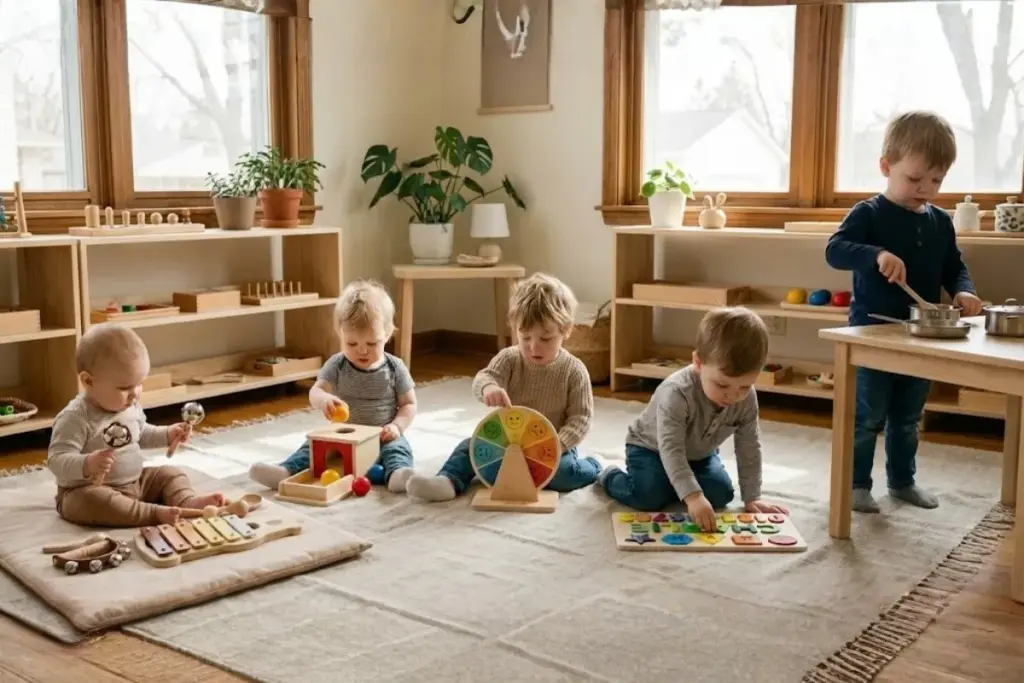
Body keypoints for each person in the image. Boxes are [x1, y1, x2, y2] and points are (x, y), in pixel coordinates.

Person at [825, 110, 984, 514]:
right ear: (886, 166)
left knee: (909, 417)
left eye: (936, 181)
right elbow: (835, 250)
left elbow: (954, 267)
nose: (925, 189)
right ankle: (856, 484)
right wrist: (876, 254)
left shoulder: (940, 222)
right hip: (872, 334)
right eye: (914, 179)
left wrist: (964, 290)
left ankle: (902, 482)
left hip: (921, 335)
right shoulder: (868, 213)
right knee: (866, 418)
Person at [406, 273, 601, 501]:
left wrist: (559, 444)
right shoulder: (509, 358)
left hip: (553, 446)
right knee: (469, 449)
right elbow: (484, 377)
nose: (533, 347)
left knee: (563, 475)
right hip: (508, 442)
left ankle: (594, 464)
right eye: (525, 337)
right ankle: (447, 481)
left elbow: (581, 419)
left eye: (545, 339)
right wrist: (489, 388)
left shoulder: (574, 370)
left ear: (566, 330)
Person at [599, 308, 788, 530]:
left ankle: (675, 483)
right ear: (698, 363)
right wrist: (692, 496)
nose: (733, 395)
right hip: (651, 450)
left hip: (699, 455)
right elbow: (671, 448)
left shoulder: (746, 398)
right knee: (648, 497)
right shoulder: (677, 392)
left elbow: (749, 446)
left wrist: (752, 497)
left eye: (745, 386)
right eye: (722, 384)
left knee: (721, 494)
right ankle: (609, 475)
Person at [249, 280, 418, 492]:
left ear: (387, 334)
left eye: (372, 343)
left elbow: (409, 404)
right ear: (340, 334)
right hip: (342, 435)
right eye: (352, 344)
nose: (362, 351)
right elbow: (316, 391)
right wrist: (324, 400)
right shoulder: (337, 364)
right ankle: (285, 471)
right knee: (312, 447)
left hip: (382, 436)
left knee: (398, 449)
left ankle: (398, 475)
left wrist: (396, 426)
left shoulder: (395, 367)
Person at [47, 323, 222, 527]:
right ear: (89, 381)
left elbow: (141, 433)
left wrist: (168, 434)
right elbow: (57, 460)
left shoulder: (129, 405)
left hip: (136, 482)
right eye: (124, 388)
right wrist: (87, 464)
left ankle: (186, 501)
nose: (135, 394)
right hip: (87, 490)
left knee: (171, 474)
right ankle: (152, 513)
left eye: (139, 384)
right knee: (93, 500)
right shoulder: (75, 417)